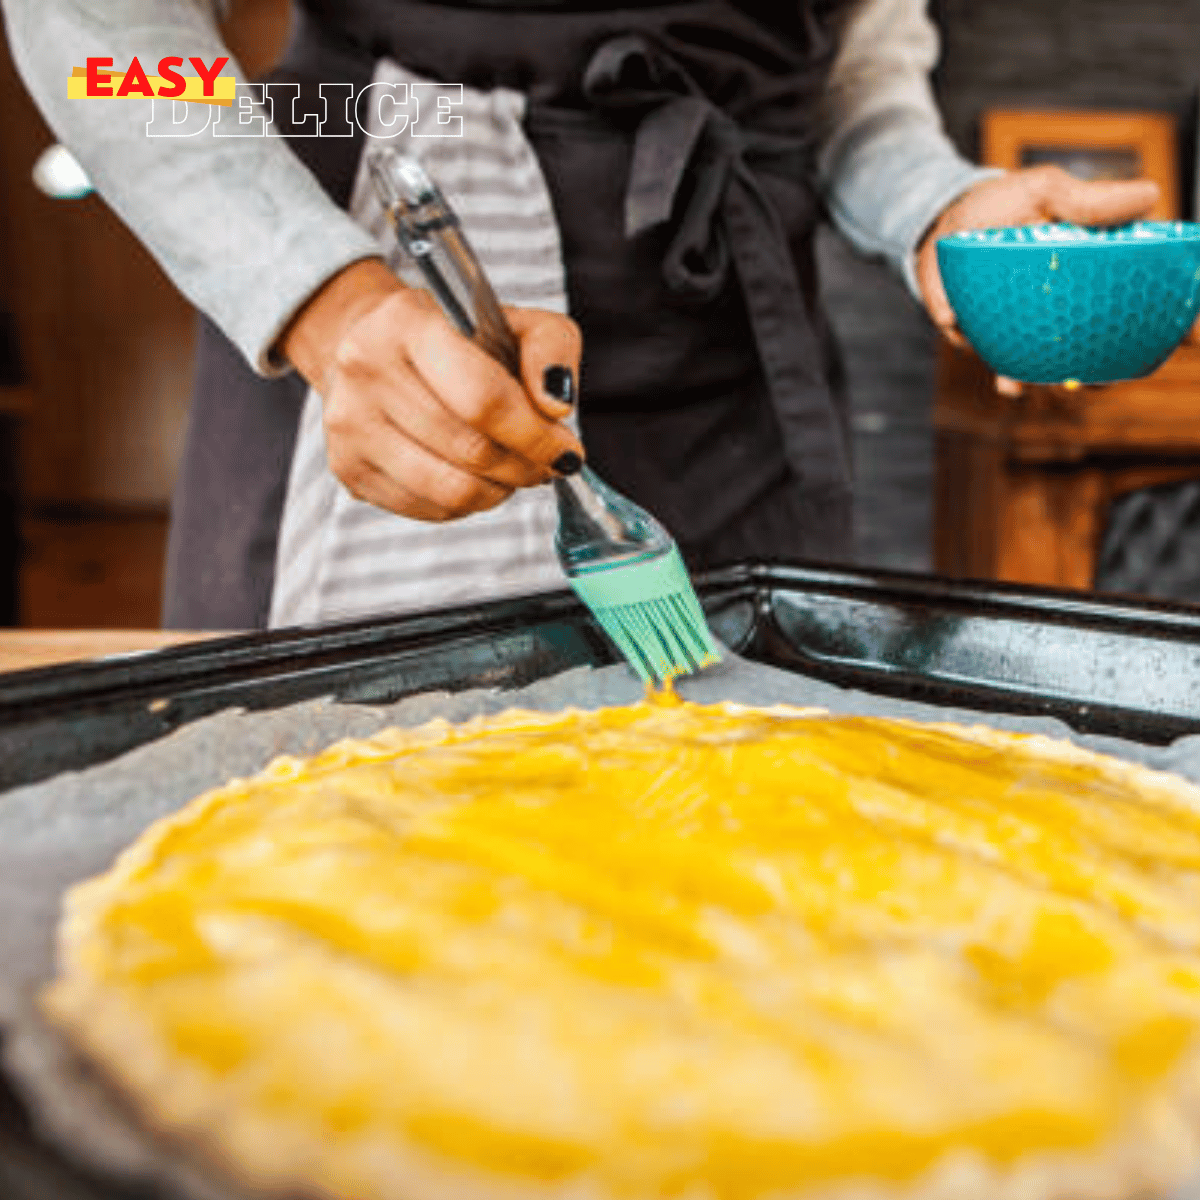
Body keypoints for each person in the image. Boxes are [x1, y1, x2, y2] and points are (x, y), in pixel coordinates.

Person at [2, 0, 1160, 628]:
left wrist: (937, 208)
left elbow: (847, 64)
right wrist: (318, 294)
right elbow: (105, 40)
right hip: (368, 309)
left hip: (734, 377)